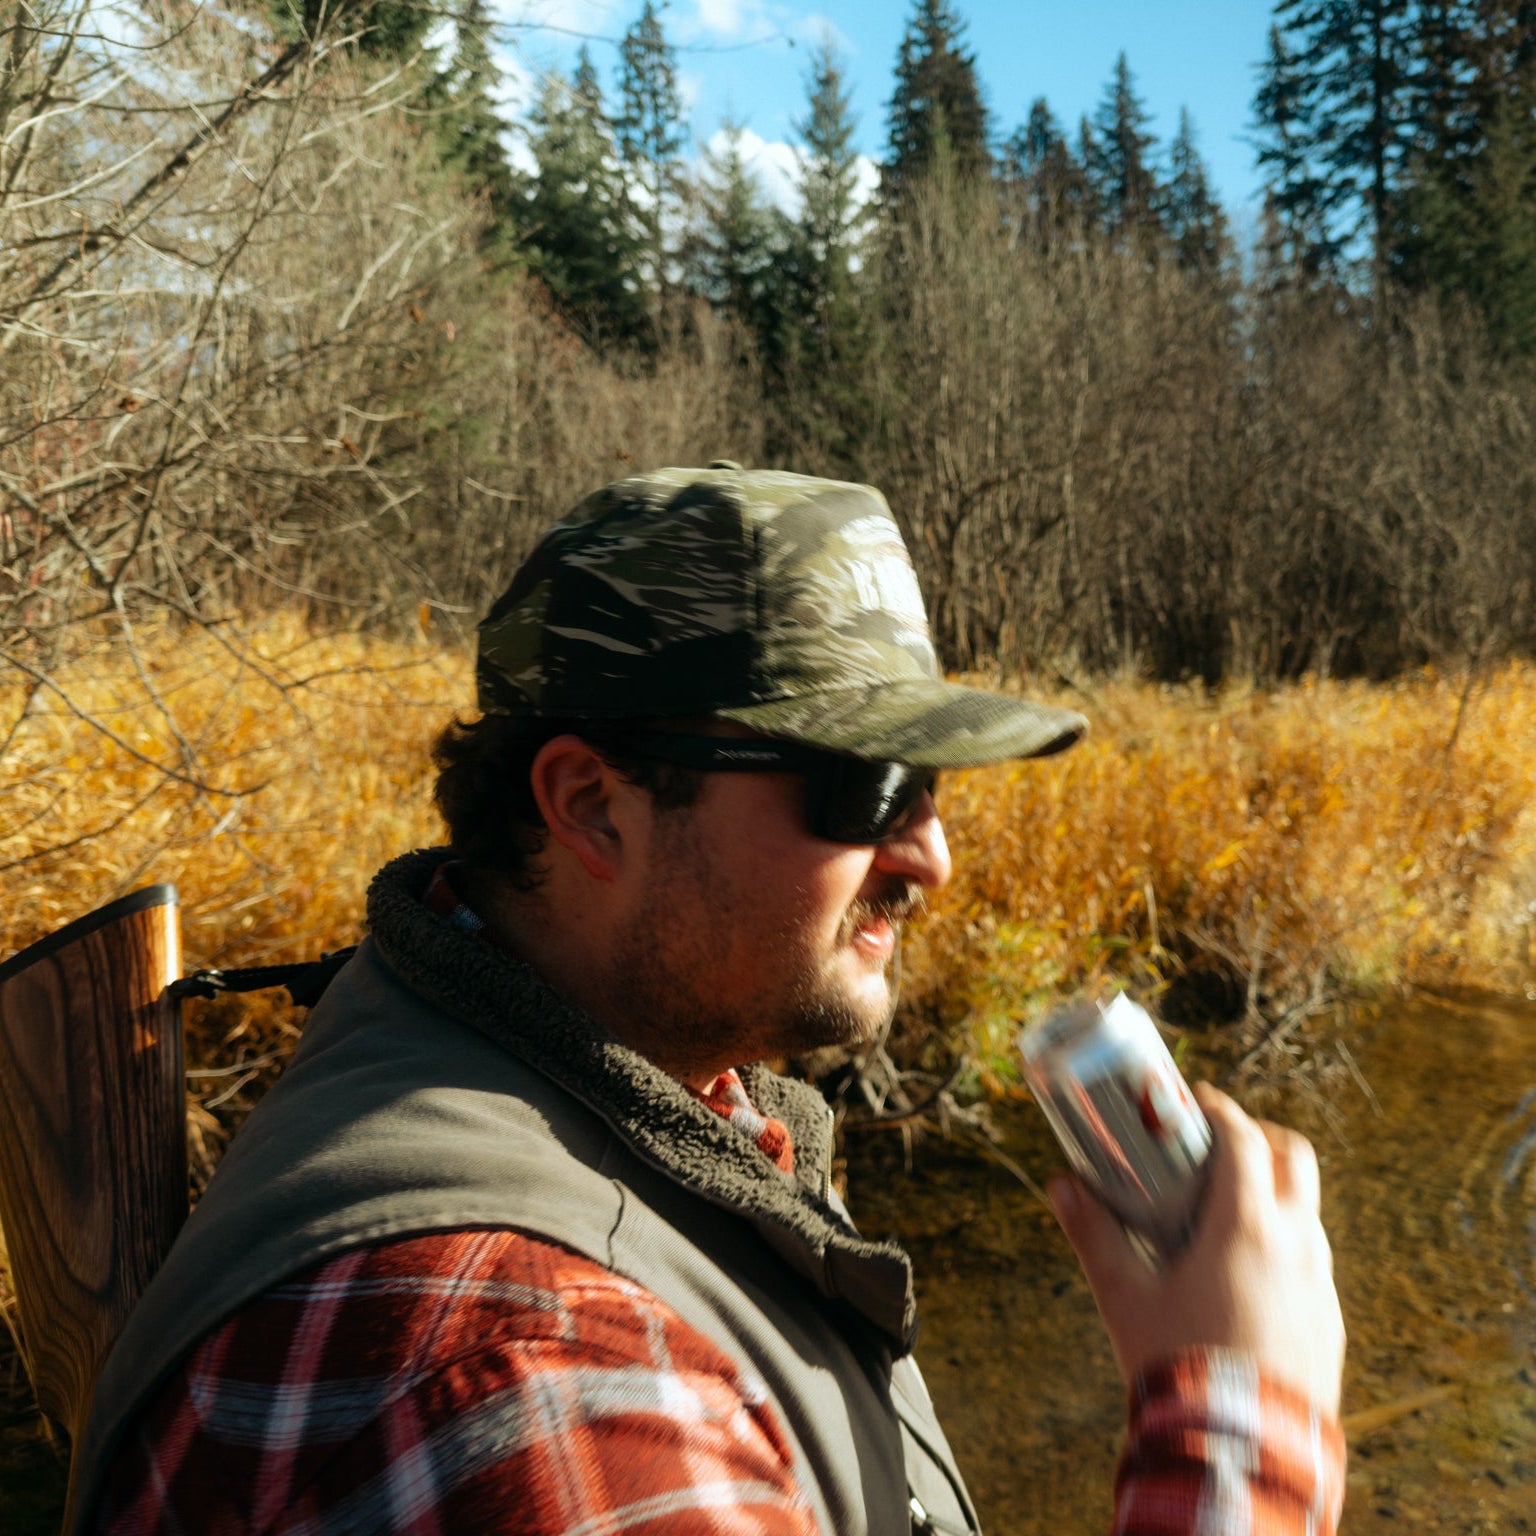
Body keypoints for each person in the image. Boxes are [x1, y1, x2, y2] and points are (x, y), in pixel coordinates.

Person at [74, 466, 1346, 1535]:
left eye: (932, 786)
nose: (929, 856)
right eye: (859, 788)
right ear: (590, 806)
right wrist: (1243, 1432)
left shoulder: (600, 1059)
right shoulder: (527, 1375)